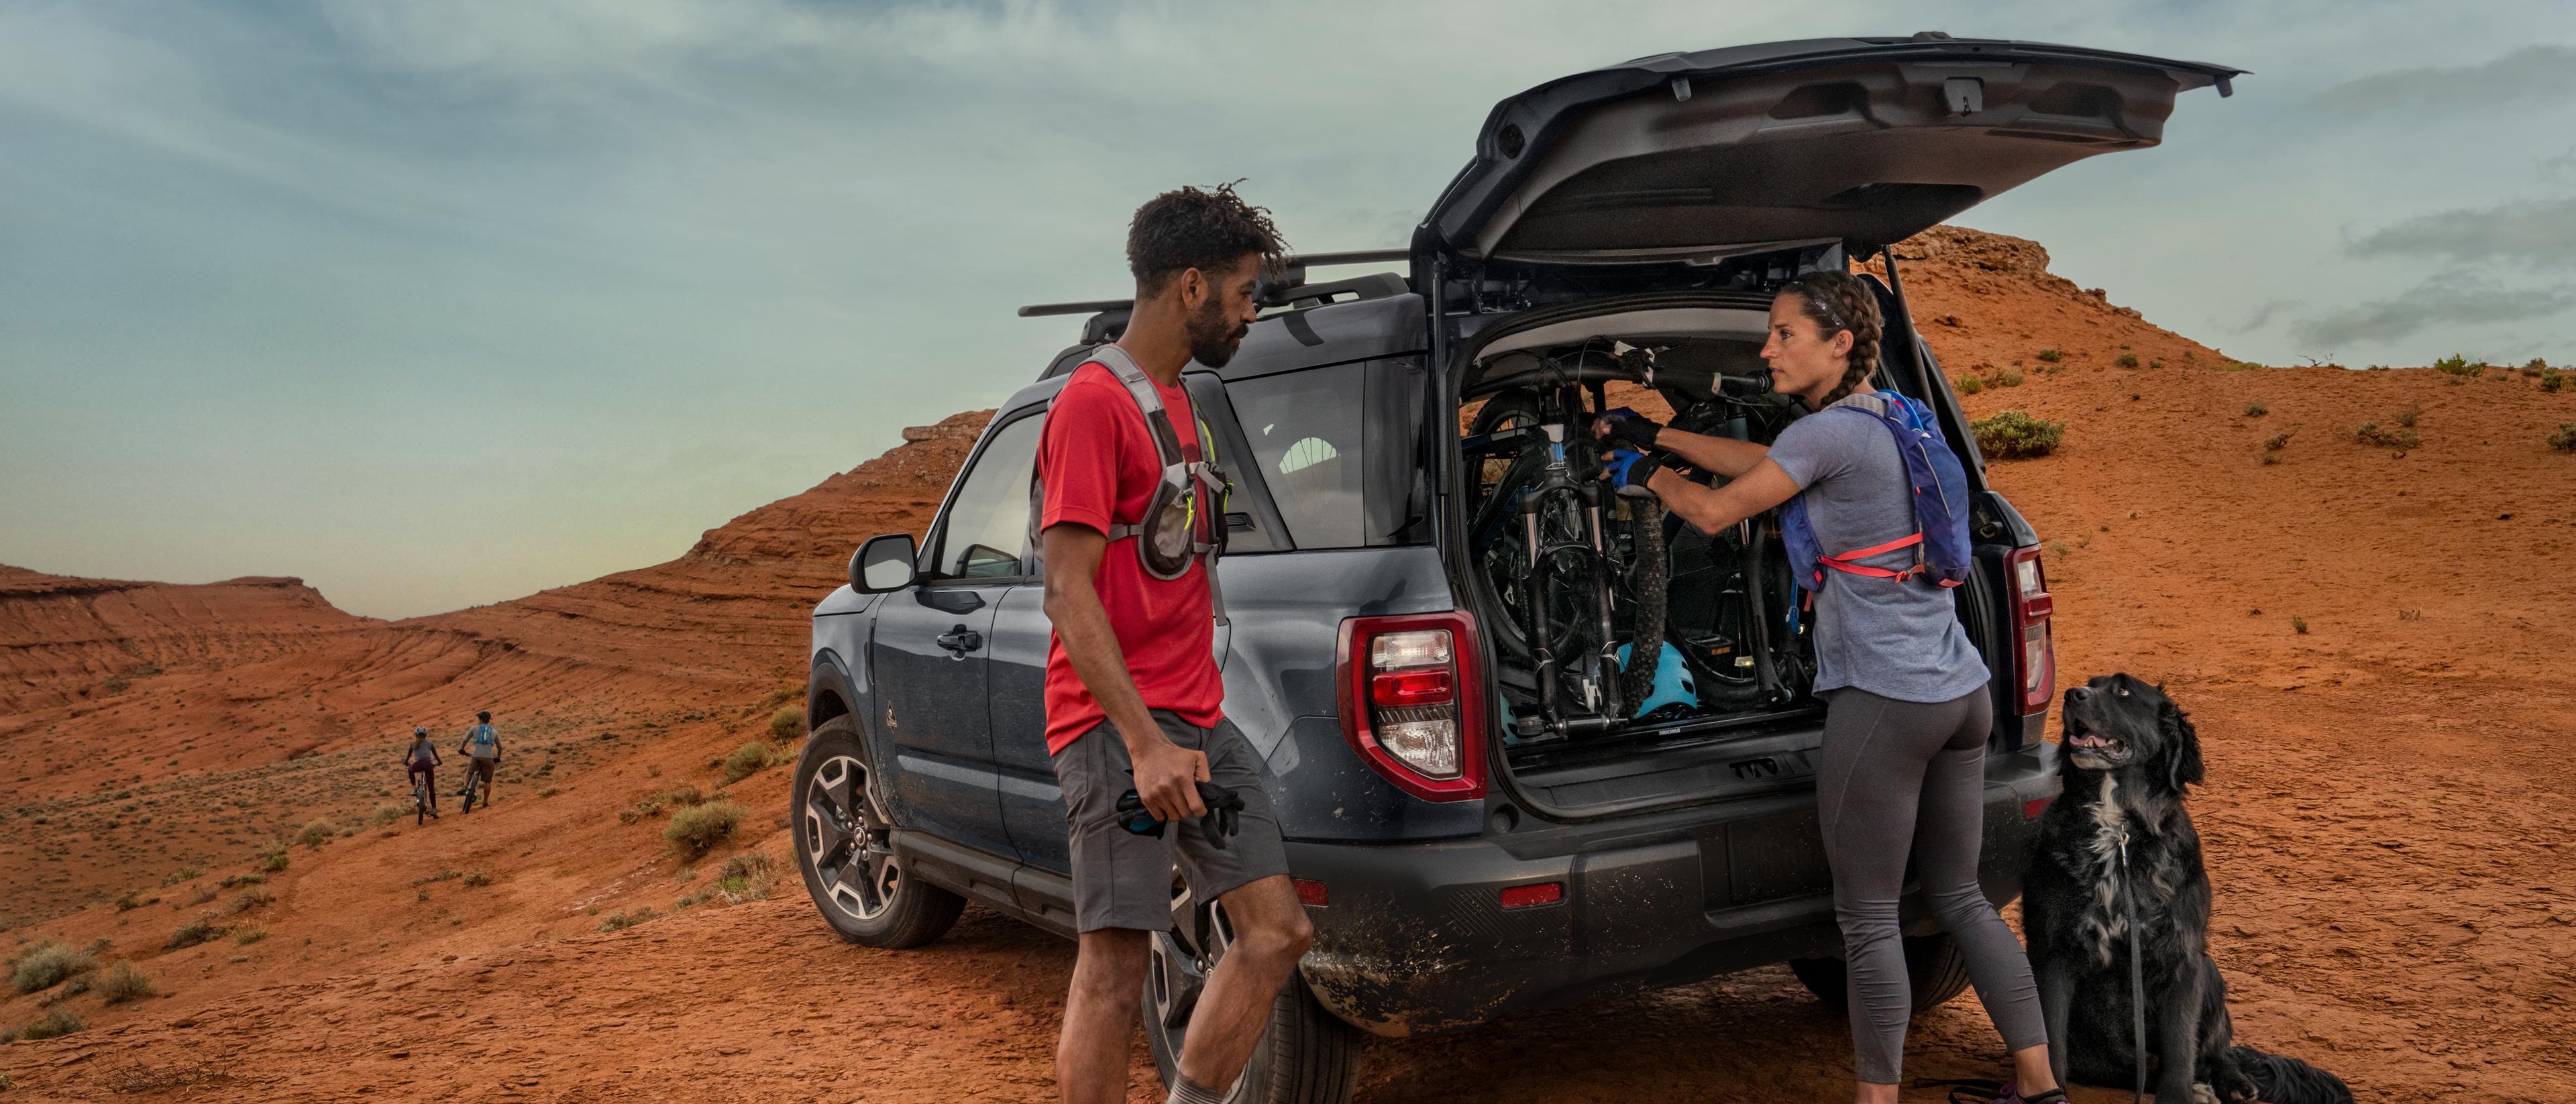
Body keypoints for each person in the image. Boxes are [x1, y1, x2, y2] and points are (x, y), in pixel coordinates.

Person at [1594, 270, 2064, 1104]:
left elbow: (1716, 514)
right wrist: (1665, 437)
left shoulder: (1828, 434)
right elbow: (1775, 465)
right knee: (1959, 894)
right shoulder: (1898, 419)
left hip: (1887, 701)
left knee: (1869, 916)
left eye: (1784, 334)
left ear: (1839, 342)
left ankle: (1875, 1100)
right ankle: (2038, 1083)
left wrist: (1642, 470)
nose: (1766, 349)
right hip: (1963, 690)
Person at [1036, 184, 1310, 1104]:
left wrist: (1178, 727)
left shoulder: (1179, 401)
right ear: (1191, 285)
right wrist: (1144, 741)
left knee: (1276, 931)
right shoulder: (1091, 403)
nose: (1250, 310)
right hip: (1119, 734)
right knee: (1114, 968)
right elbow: (1066, 589)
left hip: (1196, 720)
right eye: (1242, 290)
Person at [457, 710, 502, 811]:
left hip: (476, 756)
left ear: (481, 719)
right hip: (488, 758)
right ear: (489, 720)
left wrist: (462, 749)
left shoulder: (474, 728)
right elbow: (500, 747)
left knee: (469, 772)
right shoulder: (494, 732)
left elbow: (465, 740)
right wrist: (498, 757)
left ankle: (465, 786)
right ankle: (485, 802)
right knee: (487, 782)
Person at [402, 726, 442, 818]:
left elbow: (407, 757)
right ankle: (434, 809)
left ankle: (414, 788)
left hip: (417, 764)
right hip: (428, 765)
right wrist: (439, 763)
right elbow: (436, 756)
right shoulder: (430, 743)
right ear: (426, 735)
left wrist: (406, 763)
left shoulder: (412, 743)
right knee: (431, 787)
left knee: (410, 769)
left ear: (416, 734)